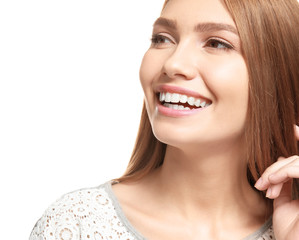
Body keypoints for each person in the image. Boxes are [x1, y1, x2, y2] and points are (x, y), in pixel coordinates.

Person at [30, 0, 299, 239]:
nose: (172, 64)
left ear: (278, 76)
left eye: (216, 43)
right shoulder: (73, 225)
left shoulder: (291, 226)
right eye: (162, 38)